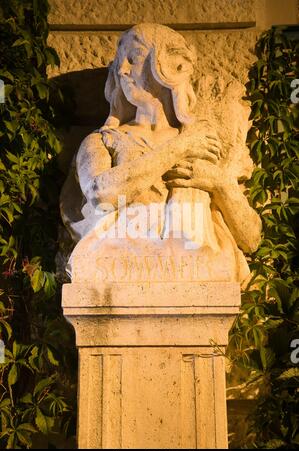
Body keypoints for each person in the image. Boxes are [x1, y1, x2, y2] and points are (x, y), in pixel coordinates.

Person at [61, 23, 261, 284]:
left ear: (166, 66)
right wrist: (180, 148)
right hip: (122, 263)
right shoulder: (104, 141)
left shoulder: (205, 142)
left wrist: (221, 184)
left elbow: (250, 239)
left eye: (133, 59)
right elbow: (101, 194)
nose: (122, 70)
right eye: (120, 63)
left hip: (198, 266)